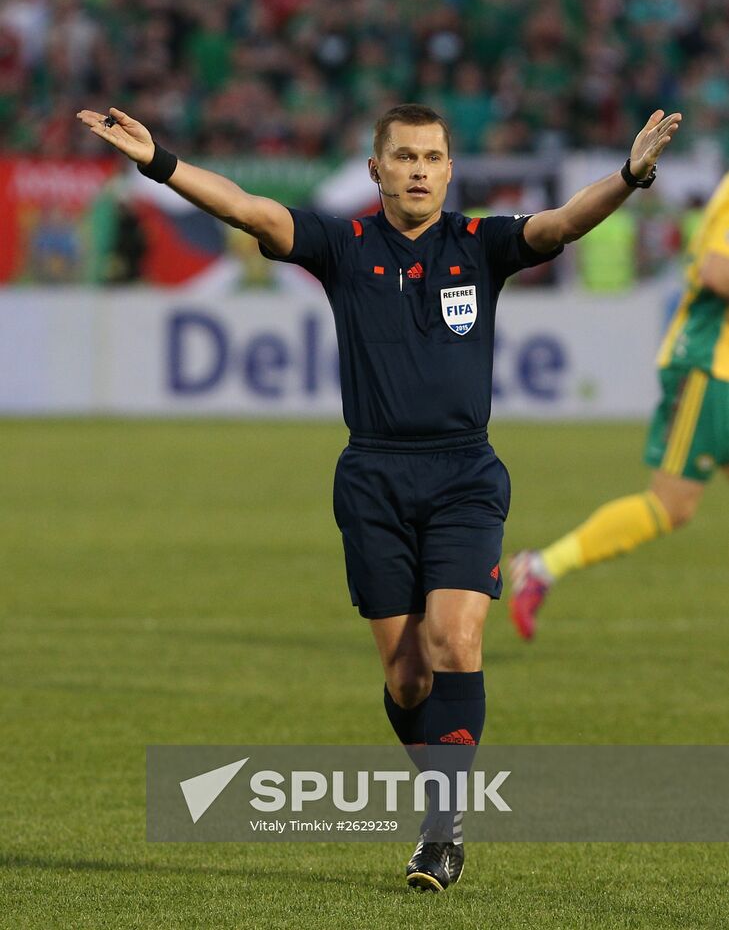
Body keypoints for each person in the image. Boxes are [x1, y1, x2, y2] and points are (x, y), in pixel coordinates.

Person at [77, 101, 680, 891]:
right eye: (403, 157)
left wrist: (630, 175)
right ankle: (440, 794)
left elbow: (563, 223)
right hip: (372, 478)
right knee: (407, 679)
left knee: (455, 641)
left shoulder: (480, 243)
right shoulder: (343, 245)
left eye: (431, 157)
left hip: (464, 474)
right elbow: (248, 209)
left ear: (449, 170)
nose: (418, 171)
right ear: (376, 170)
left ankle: (442, 829)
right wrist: (159, 162)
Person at [510, 171, 729, 642]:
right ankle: (542, 567)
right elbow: (718, 271)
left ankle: (542, 566)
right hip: (710, 368)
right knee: (670, 505)